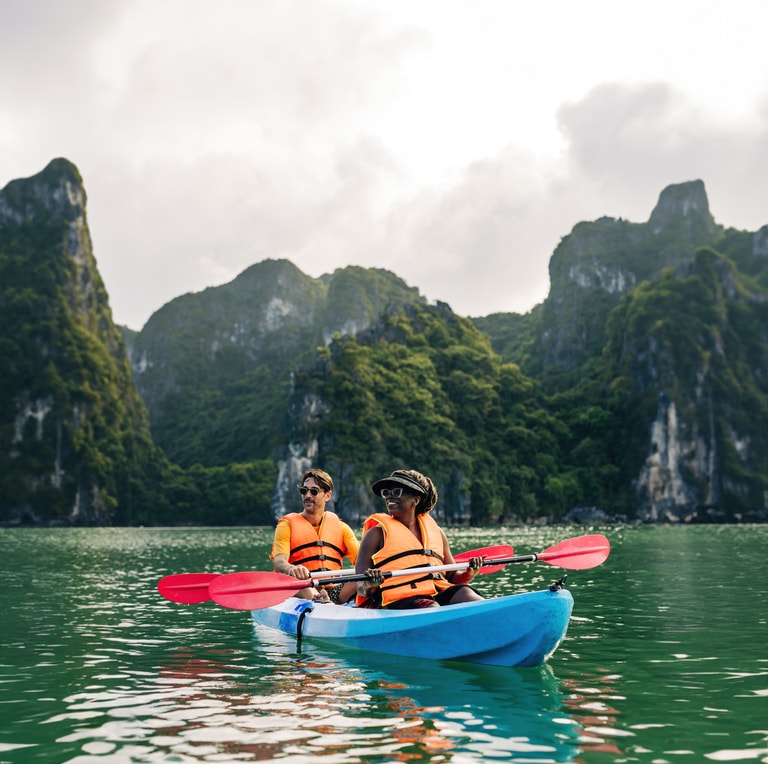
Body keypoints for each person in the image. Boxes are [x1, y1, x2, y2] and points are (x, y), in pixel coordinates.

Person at [355, 469, 484, 609]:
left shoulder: (437, 533)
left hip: (435, 592)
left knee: (465, 592)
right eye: (386, 493)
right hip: (398, 599)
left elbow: (451, 576)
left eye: (397, 492)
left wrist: (468, 573)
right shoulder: (376, 535)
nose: (389, 497)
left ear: (416, 500)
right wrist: (370, 583)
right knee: (430, 606)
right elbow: (361, 588)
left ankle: (488, 610)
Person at [270, 468, 359, 604]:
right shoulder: (286, 525)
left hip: (335, 591)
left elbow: (361, 560)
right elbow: (279, 561)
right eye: (304, 491)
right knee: (301, 582)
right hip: (302, 588)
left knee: (362, 579)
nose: (308, 495)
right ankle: (319, 601)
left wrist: (371, 573)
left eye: (314, 491)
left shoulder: (342, 528)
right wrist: (291, 568)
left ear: (327, 496)